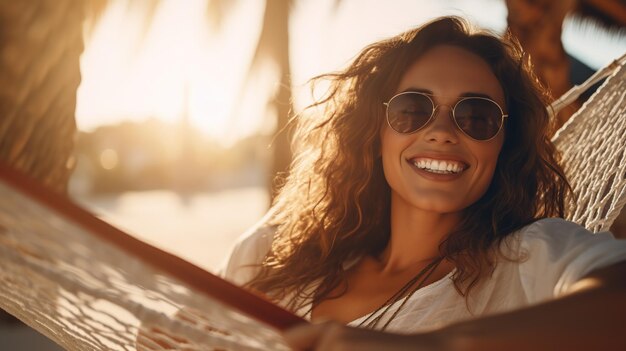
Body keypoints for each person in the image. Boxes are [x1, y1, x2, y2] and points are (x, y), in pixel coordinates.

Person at [221, 16, 626, 350]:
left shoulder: (529, 258)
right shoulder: (268, 256)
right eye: (413, 109)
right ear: (375, 133)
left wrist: (439, 345)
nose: (442, 132)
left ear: (505, 143)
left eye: (476, 117)